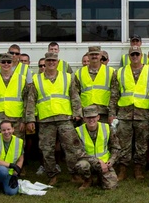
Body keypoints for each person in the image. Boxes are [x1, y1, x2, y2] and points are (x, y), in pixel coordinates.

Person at [25, 51, 82, 185]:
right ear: (44, 62)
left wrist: (77, 112)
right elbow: (31, 100)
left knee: (71, 148)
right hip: (45, 119)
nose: (51, 63)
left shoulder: (67, 77)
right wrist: (30, 119)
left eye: (53, 61)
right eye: (48, 61)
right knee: (46, 149)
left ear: (57, 62)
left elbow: (74, 96)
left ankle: (74, 174)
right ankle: (52, 176)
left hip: (65, 118)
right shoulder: (36, 79)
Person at [109, 45, 149, 180]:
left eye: (137, 54)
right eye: (132, 54)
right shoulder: (119, 72)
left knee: (142, 144)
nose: (135, 57)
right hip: (124, 114)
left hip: (144, 114)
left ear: (141, 56)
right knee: (123, 143)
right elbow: (114, 95)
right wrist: (112, 114)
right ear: (129, 57)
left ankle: (138, 169)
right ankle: (123, 169)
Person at [72, 105, 119, 190]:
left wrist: (111, 161)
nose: (91, 120)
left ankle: (100, 178)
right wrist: (98, 161)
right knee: (81, 165)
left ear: (98, 117)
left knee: (111, 186)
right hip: (87, 162)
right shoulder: (78, 131)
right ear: (84, 119)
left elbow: (116, 147)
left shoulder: (107, 128)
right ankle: (87, 180)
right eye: (88, 117)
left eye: (93, 117)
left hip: (105, 164)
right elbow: (78, 153)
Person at [75, 46, 112, 123]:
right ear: (88, 56)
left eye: (96, 54)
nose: (94, 56)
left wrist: (112, 113)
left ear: (100, 56)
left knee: (104, 134)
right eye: (92, 54)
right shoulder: (79, 73)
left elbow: (115, 94)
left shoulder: (111, 72)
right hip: (86, 112)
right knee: (86, 135)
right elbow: (75, 95)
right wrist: (78, 112)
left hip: (104, 112)